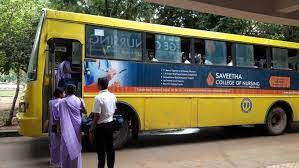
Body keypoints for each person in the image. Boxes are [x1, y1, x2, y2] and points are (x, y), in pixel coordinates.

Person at [89, 77, 117, 168]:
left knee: (101, 151)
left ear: (99, 85)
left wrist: (91, 129)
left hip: (101, 127)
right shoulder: (113, 96)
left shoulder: (98, 98)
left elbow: (96, 116)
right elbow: (114, 109)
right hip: (111, 124)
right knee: (110, 148)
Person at [58, 84, 86, 168]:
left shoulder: (62, 101)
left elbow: (61, 116)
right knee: (76, 145)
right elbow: (85, 111)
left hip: (66, 126)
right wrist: (78, 109)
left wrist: (59, 128)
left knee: (66, 145)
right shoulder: (80, 100)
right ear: (75, 91)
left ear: (66, 91)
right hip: (77, 124)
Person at [48, 88, 64, 168]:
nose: (64, 94)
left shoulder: (50, 102)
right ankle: (60, 161)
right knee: (61, 143)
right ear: (60, 94)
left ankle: (53, 160)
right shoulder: (62, 102)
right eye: (63, 93)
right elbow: (59, 116)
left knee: (53, 143)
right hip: (59, 124)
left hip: (52, 124)